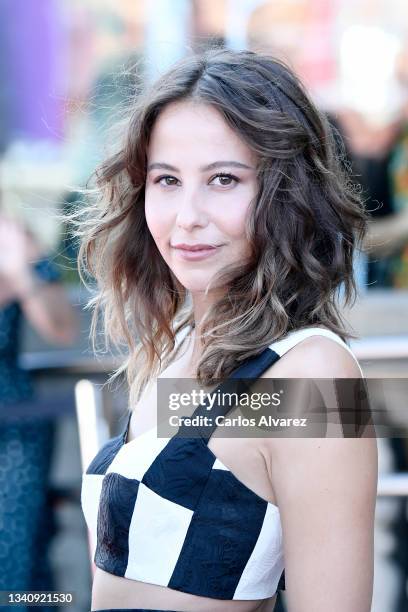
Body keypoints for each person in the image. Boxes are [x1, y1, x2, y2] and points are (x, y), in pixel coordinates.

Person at [77, 48, 378, 612]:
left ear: (286, 193)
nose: (187, 214)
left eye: (223, 179)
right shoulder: (185, 343)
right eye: (166, 180)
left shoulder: (309, 373)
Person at [0, 213, 77, 610]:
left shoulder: (15, 237)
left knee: (17, 552)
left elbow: (62, 328)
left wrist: (19, 272)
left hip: (13, 429)